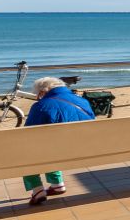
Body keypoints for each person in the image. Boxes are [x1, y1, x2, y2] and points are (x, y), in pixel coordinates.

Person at [21, 77, 94, 206]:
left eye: (38, 94)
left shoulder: (41, 106)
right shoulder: (83, 101)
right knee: (52, 145)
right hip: (87, 147)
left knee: (27, 150)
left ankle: (37, 190)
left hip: (58, 150)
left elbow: (28, 134)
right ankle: (57, 184)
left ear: (43, 92)